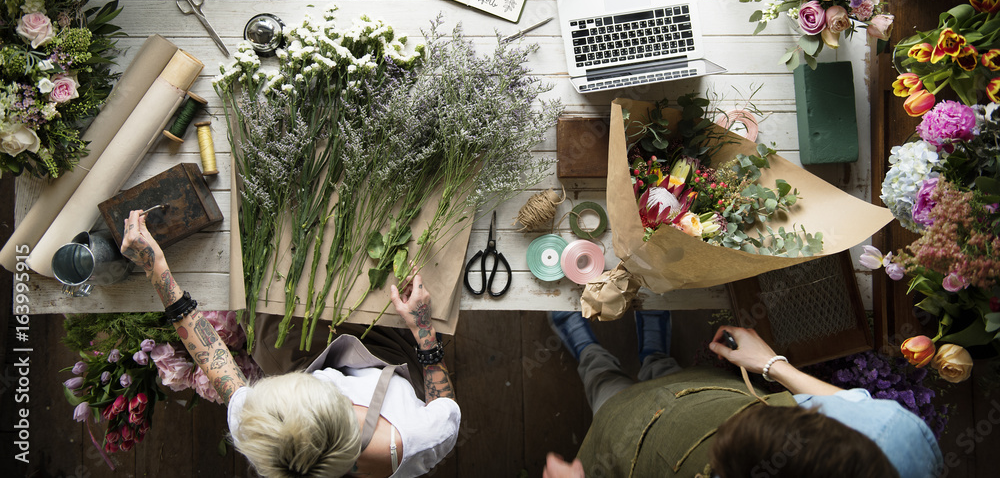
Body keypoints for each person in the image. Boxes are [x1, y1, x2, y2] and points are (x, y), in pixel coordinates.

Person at [119, 209, 460, 478]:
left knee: (276, 255)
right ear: (340, 411)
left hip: (301, 355)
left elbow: (215, 359)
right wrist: (424, 330)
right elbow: (443, 403)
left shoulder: (267, 433)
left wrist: (155, 266)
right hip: (392, 352)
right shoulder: (416, 439)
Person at [542, 310, 944, 478]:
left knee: (607, 390)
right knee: (670, 374)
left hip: (633, 447)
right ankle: (655, 355)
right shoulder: (897, 439)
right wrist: (773, 365)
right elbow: (848, 405)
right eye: (800, 411)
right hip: (709, 393)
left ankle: (590, 354)